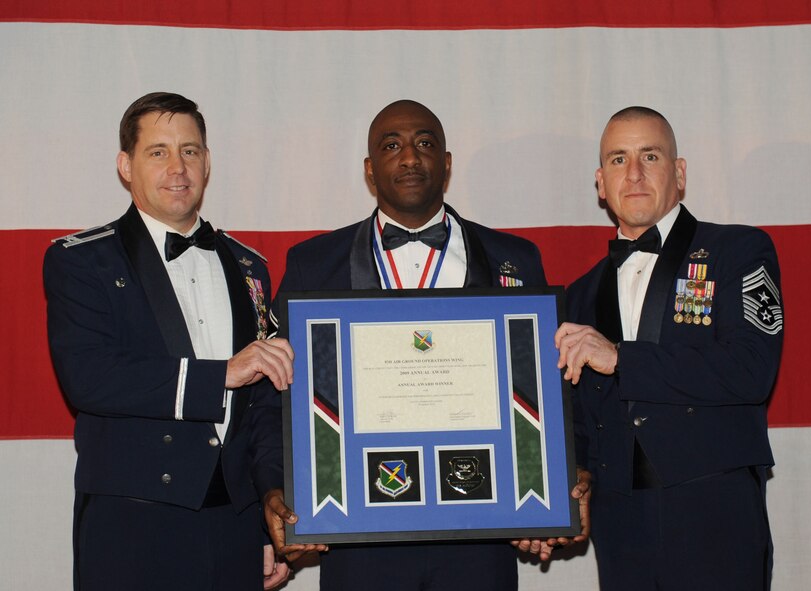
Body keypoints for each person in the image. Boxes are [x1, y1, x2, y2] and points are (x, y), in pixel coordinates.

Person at [264, 99, 589, 590]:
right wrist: (277, 487)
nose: (410, 157)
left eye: (424, 143)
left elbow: (550, 385)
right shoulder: (314, 263)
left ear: (447, 161)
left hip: (478, 539)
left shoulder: (516, 259)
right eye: (392, 146)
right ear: (371, 170)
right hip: (358, 542)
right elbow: (275, 396)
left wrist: (554, 485)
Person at [44, 92, 296, 590]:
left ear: (207, 162)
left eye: (191, 150)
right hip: (134, 526)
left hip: (234, 526)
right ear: (125, 166)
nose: (177, 167)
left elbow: (262, 407)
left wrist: (268, 509)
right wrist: (219, 373)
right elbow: (90, 379)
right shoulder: (83, 261)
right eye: (157, 151)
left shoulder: (251, 266)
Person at [556, 106, 783, 590]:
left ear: (678, 174)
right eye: (618, 160)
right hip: (621, 529)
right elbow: (576, 413)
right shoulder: (577, 295)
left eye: (650, 156)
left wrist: (622, 357)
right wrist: (567, 480)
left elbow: (751, 369)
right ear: (600, 182)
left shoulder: (738, 252)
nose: (633, 173)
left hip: (714, 515)